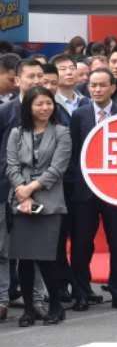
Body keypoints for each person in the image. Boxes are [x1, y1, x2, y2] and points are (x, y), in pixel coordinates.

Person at [67, 68, 117, 309]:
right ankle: (81, 292)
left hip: (115, 189)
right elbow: (74, 152)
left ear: (113, 87)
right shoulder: (80, 115)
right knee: (82, 243)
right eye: (93, 85)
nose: (97, 90)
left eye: (102, 85)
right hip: (85, 190)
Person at [7, 86, 71, 326]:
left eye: (48, 103)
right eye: (39, 104)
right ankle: (29, 309)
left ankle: (55, 305)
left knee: (47, 257)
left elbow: (57, 168)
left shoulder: (62, 132)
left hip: (50, 200)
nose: (45, 108)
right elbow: (12, 165)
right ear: (29, 107)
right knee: (24, 258)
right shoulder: (17, 133)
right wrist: (23, 193)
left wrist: (31, 188)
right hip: (21, 202)